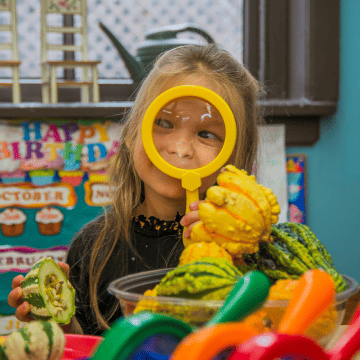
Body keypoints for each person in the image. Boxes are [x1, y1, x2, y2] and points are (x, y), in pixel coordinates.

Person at [7, 44, 264, 336]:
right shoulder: (91, 246)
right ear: (130, 134)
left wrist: (234, 257)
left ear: (236, 155)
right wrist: (59, 321)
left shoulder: (251, 250)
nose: (179, 149)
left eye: (206, 134)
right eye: (163, 123)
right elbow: (88, 347)